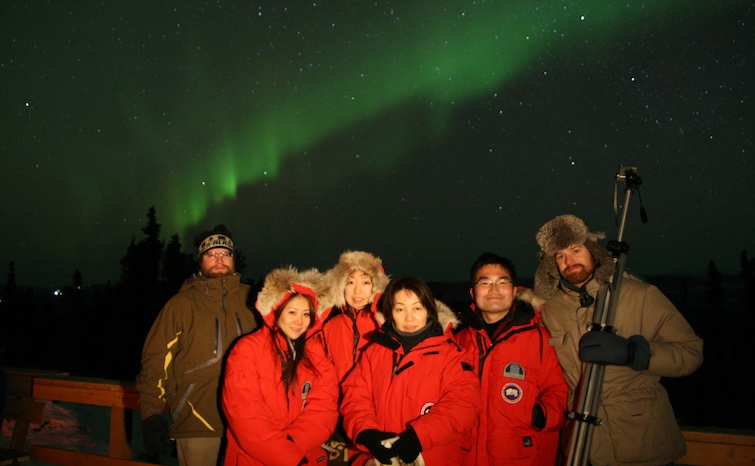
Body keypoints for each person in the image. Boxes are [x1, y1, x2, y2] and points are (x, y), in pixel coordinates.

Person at [533, 214, 704, 465]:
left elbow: (691, 353)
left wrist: (634, 353)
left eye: (576, 250)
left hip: (642, 443)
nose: (569, 261)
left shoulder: (639, 295)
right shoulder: (551, 310)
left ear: (592, 251)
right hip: (583, 446)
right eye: (560, 256)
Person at [136, 225, 257, 466]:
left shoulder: (253, 300)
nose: (219, 259)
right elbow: (156, 359)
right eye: (211, 254)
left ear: (234, 258)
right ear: (200, 260)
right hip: (197, 422)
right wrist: (151, 413)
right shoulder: (181, 304)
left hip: (249, 423)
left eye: (225, 253)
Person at [340, 276, 481, 466]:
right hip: (383, 459)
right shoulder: (375, 352)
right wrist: (367, 433)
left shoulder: (450, 354)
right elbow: (355, 397)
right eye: (400, 309)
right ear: (390, 312)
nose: (409, 317)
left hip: (432, 457)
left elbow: (464, 405)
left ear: (429, 311)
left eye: (417, 308)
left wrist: (418, 436)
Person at [455, 253, 567, 466]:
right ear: (473, 292)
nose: (494, 289)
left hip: (519, 456)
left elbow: (560, 393)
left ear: (515, 291)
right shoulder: (457, 341)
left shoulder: (541, 338)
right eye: (485, 282)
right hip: (465, 457)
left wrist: (537, 415)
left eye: (502, 281)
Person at [221, 266, 339, 466]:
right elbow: (244, 415)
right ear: (276, 311)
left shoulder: (317, 356)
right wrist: (286, 455)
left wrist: (293, 445)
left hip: (305, 457)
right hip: (256, 459)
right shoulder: (247, 349)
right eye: (292, 312)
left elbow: (324, 409)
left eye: (306, 314)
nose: (299, 321)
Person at [323, 250, 390, 382]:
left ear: (376, 286)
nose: (357, 291)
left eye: (365, 282)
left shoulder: (386, 324)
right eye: (350, 282)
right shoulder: (330, 326)